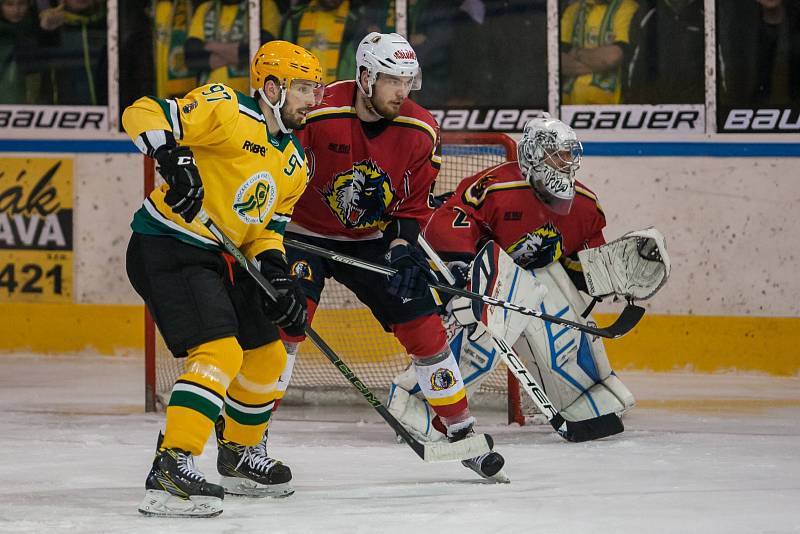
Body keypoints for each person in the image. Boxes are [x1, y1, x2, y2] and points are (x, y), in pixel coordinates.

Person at [272, 32, 507, 482]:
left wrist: (402, 250)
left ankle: (460, 430)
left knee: (424, 324)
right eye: (391, 81)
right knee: (286, 324)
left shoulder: (421, 130)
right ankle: (251, 435)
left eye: (408, 81)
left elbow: (411, 206)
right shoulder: (318, 110)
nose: (402, 91)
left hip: (370, 239)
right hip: (302, 235)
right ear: (364, 77)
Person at [122, 40, 323, 517]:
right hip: (167, 244)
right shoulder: (226, 109)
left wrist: (275, 273)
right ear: (271, 87)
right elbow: (142, 112)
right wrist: (171, 157)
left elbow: (267, 231)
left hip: (220, 255)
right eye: (302, 88)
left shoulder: (293, 163)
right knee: (219, 350)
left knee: (267, 355)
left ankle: (237, 453)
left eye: (315, 90)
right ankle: (172, 465)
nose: (312, 100)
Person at [388, 117, 669, 441]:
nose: (564, 162)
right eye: (555, 154)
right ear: (533, 155)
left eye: (567, 154)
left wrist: (612, 275)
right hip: (485, 277)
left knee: (559, 307)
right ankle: (420, 406)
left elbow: (581, 263)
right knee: (482, 335)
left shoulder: (586, 205)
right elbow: (451, 221)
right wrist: (463, 269)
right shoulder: (496, 186)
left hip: (535, 280)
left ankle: (584, 396)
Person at [185, 0, 280, 94]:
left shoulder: (262, 5)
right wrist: (237, 53)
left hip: (248, 98)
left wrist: (210, 46)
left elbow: (263, 50)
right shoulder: (205, 8)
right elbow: (191, 56)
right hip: (209, 97)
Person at [560, 0, 640, 105]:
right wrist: (599, 62)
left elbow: (613, 57)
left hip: (609, 108)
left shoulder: (627, 7)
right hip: (566, 107)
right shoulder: (572, 10)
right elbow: (555, 61)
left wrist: (575, 52)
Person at [626, 0, 704, 104]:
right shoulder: (646, 14)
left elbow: (719, 67)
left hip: (699, 107)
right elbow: (633, 64)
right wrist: (634, 104)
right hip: (654, 106)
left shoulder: (707, 13)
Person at [37, 0, 107, 105]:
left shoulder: (113, 22)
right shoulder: (47, 26)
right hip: (59, 112)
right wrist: (44, 30)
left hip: (110, 112)